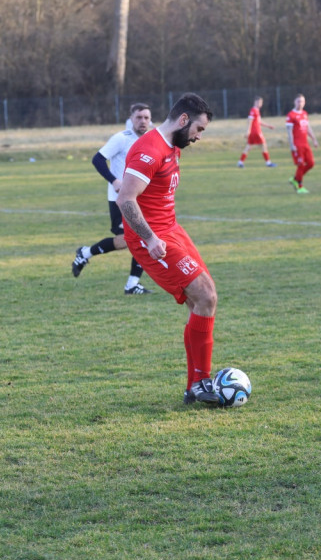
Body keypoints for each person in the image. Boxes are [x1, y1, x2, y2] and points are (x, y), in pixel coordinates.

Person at [116, 92, 221, 405]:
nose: (198, 137)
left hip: (172, 230)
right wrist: (149, 238)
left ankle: (195, 386)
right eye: (198, 130)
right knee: (205, 296)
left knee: (204, 299)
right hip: (151, 238)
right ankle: (200, 382)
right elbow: (125, 199)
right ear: (184, 120)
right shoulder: (149, 149)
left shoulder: (172, 146)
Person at [71, 103, 154, 295]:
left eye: (146, 118)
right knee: (134, 239)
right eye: (139, 117)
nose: (143, 121)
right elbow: (97, 159)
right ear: (131, 119)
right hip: (120, 199)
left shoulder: (151, 139)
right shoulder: (121, 139)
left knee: (134, 238)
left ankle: (130, 283)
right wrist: (114, 180)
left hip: (140, 198)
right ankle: (87, 254)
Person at [286, 94, 319, 194]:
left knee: (311, 163)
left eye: (302, 101)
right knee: (300, 164)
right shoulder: (291, 115)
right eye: (298, 101)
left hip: (305, 144)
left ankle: (295, 178)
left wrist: (314, 139)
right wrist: (292, 145)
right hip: (297, 144)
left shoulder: (304, 113)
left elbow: (308, 128)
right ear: (294, 102)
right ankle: (299, 186)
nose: (300, 103)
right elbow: (289, 131)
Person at [237, 96, 276, 168]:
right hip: (256, 132)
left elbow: (259, 122)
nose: (260, 104)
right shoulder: (253, 110)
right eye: (258, 102)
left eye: (261, 102)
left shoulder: (257, 110)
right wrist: (248, 131)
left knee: (248, 147)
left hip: (254, 132)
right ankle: (268, 163)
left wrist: (268, 126)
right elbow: (249, 120)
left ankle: (240, 162)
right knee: (264, 145)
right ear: (255, 102)